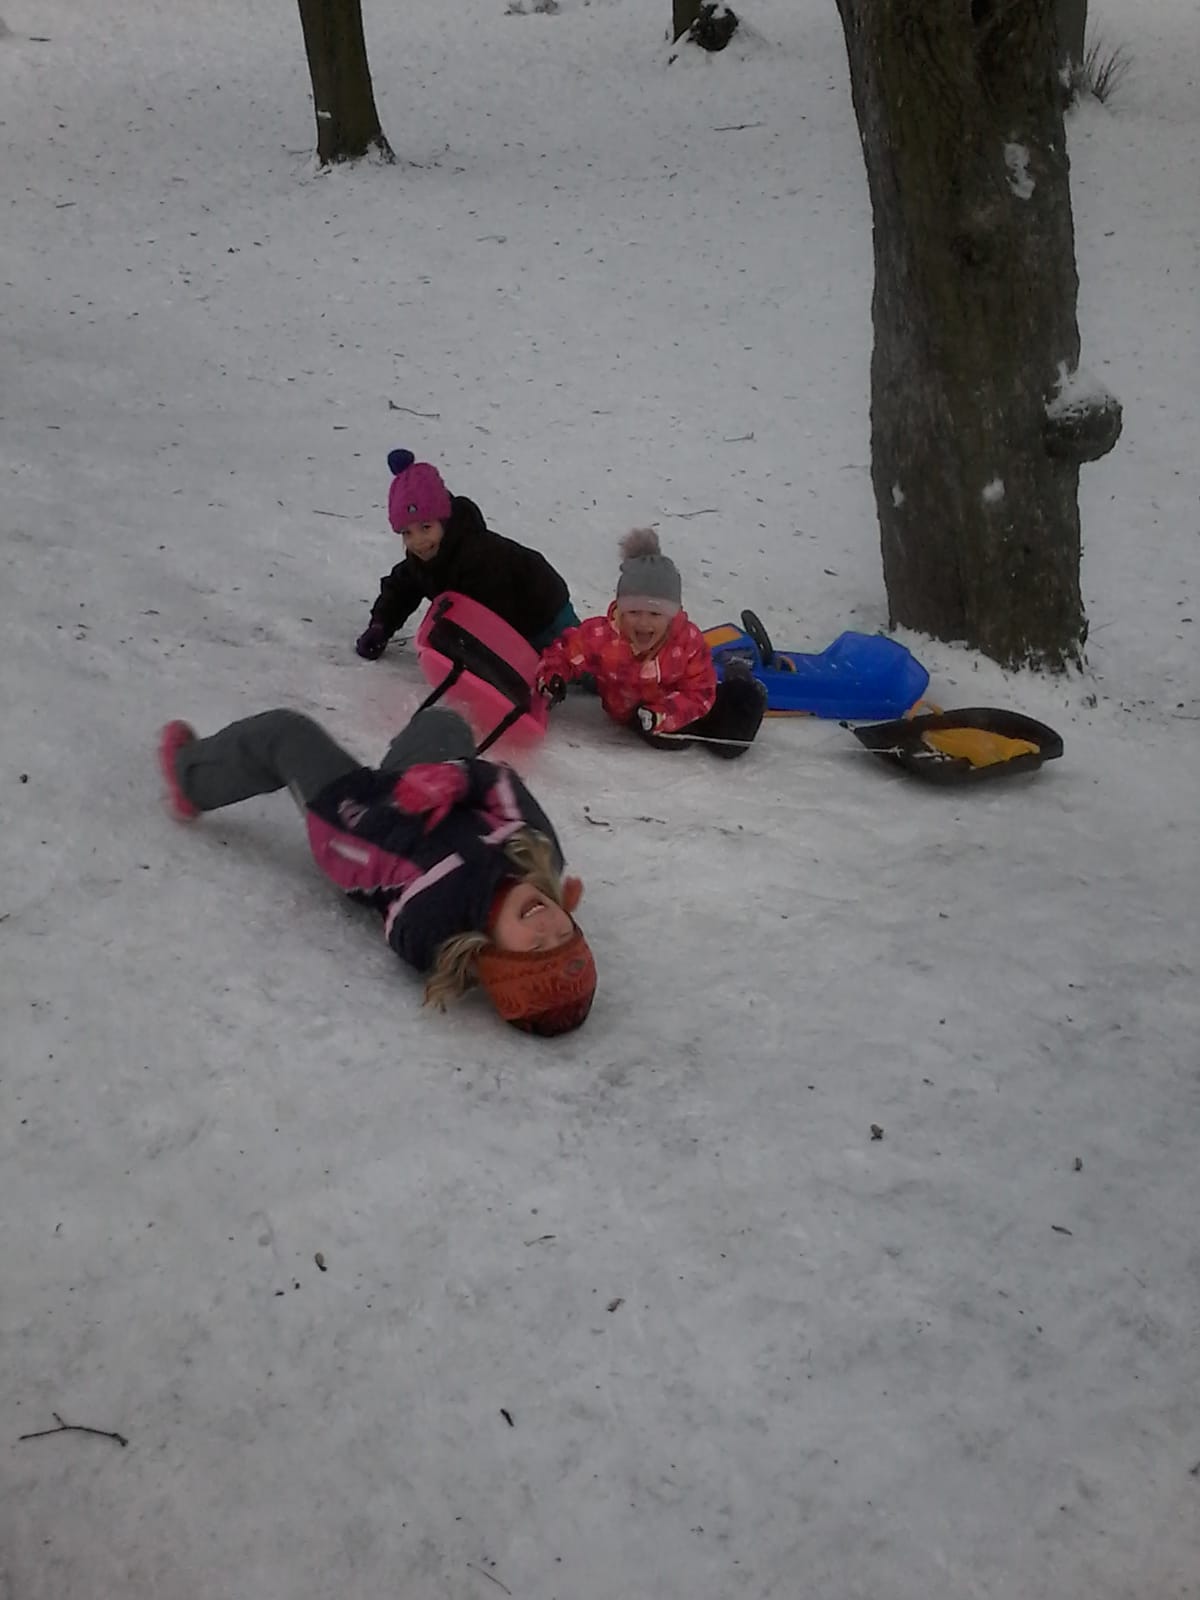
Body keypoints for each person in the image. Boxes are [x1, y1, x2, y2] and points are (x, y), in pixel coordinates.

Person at [157, 707, 597, 1036]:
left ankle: (189, 777)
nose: (547, 926)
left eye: (535, 945)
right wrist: (459, 779)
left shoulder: (436, 924)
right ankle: (397, 768)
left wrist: (360, 806)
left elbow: (385, 889)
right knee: (444, 724)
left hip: (357, 822)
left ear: (494, 957)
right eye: (563, 933)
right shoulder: (540, 853)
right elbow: (501, 785)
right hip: (426, 788)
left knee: (285, 734)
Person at [535, 529, 766, 760]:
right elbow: (565, 651)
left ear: (671, 616)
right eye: (634, 612)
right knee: (669, 739)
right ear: (621, 610)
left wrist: (664, 714)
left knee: (731, 740)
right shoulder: (603, 636)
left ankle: (743, 684)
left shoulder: (687, 641)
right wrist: (552, 676)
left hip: (685, 703)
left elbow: (700, 692)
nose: (643, 623)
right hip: (639, 713)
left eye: (655, 614)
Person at [355, 450, 579, 660]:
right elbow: (399, 592)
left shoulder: (477, 554)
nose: (418, 541)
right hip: (509, 627)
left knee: (580, 663)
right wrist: (380, 627)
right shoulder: (420, 562)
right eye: (407, 533)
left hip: (546, 614)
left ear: (444, 521)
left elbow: (490, 613)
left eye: (426, 527)